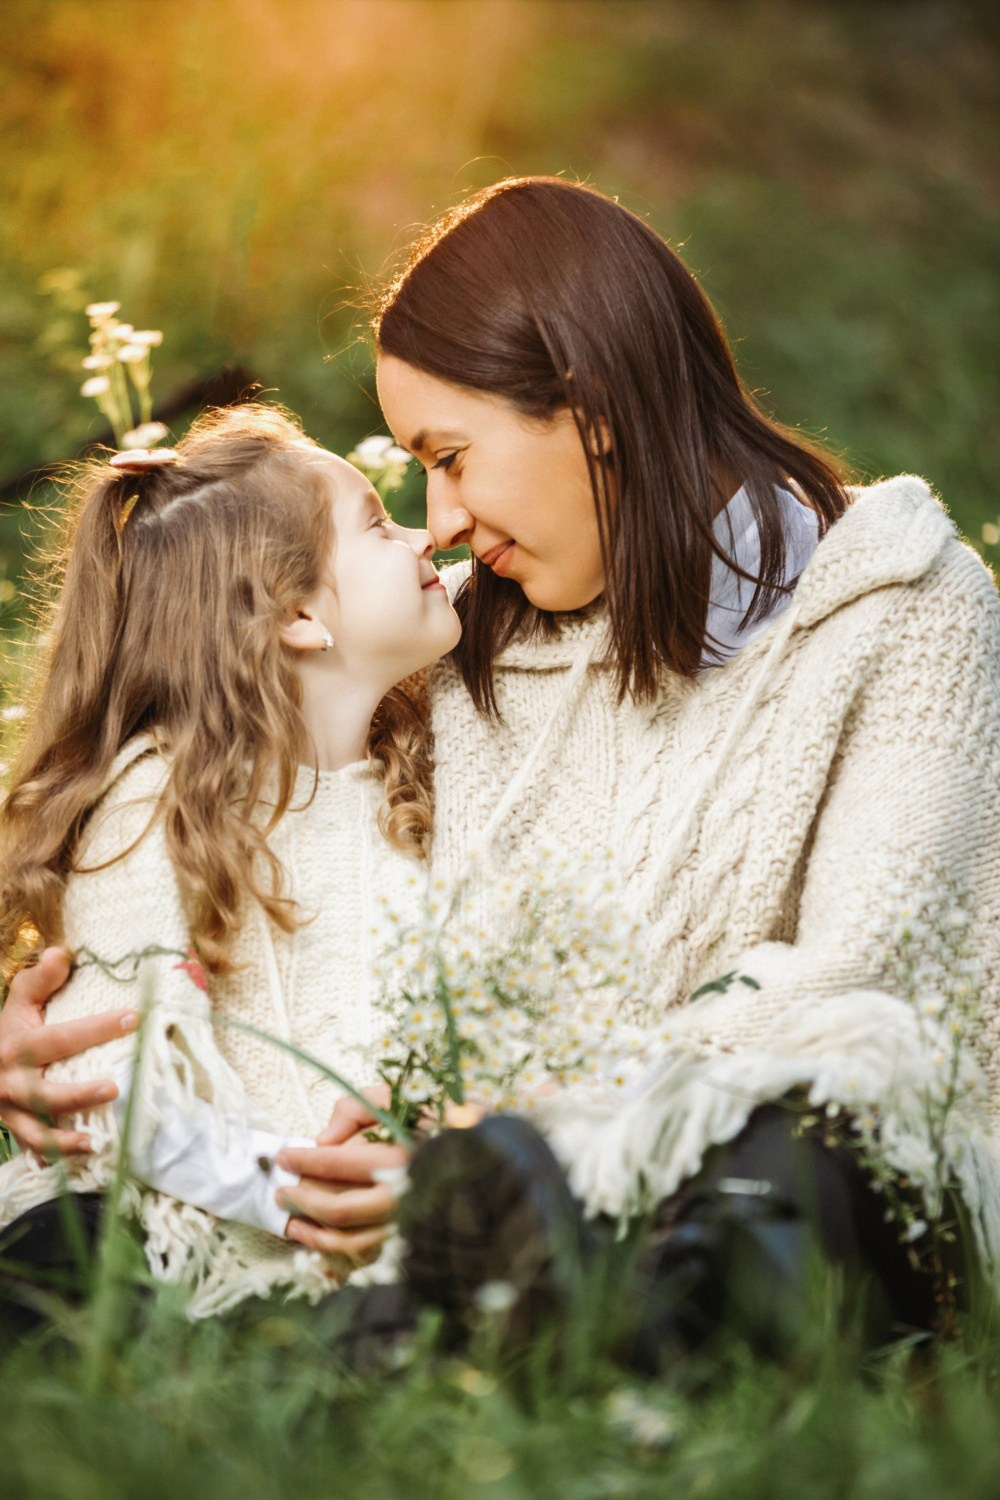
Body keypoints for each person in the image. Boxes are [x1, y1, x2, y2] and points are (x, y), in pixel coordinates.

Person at [4, 176, 999, 1357]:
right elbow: (214, 764)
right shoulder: (466, 629)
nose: (443, 519)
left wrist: (523, 1140)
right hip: (479, 1195)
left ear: (589, 406)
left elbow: (866, 987)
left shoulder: (897, 609)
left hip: (735, 1164)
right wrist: (42, 1053)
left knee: (784, 1168)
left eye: (452, 456)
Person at [0, 402, 461, 1323]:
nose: (423, 535)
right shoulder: (154, 799)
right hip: (171, 1230)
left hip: (369, 1238)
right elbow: (116, 1087)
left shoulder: (423, 784)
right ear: (295, 613)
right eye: (378, 523)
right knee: (63, 1265)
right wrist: (287, 1193)